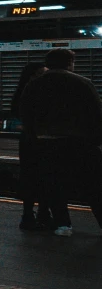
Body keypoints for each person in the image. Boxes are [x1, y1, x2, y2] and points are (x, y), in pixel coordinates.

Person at [13, 49, 102, 236]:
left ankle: (63, 225)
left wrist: (35, 137)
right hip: (80, 142)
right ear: (70, 62)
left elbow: (26, 114)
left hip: (46, 143)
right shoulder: (83, 83)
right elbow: (96, 113)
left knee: (54, 184)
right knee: (93, 185)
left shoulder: (34, 84)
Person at [11, 60, 48, 230]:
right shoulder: (41, 92)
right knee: (45, 176)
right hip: (40, 139)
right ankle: (42, 213)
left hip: (27, 139)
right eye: (42, 73)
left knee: (29, 176)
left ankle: (29, 214)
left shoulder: (21, 91)